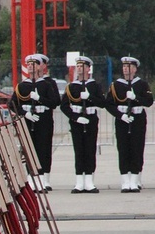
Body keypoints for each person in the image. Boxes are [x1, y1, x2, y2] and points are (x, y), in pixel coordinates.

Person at [105, 56, 154, 193]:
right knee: (123, 148)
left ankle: (134, 179)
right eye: (124, 67)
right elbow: (108, 104)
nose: (126, 69)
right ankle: (125, 180)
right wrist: (120, 115)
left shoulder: (141, 84)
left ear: (135, 69)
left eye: (129, 67)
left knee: (136, 148)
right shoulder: (116, 85)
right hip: (123, 120)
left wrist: (136, 98)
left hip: (137, 119)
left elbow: (149, 101)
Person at [10, 54, 57, 191]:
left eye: (34, 64)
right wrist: (25, 114)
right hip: (28, 120)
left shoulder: (46, 85)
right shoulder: (22, 86)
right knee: (29, 150)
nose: (30, 66)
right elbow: (12, 104)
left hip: (43, 120)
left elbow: (54, 102)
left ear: (39, 67)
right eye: (28, 64)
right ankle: (31, 179)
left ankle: (41, 179)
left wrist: (40, 98)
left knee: (42, 149)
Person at [60, 56, 106, 194]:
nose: (79, 69)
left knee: (90, 149)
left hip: (91, 120)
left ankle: (89, 181)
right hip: (77, 122)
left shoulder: (94, 86)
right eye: (78, 66)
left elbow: (102, 103)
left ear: (88, 68)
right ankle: (79, 181)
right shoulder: (71, 86)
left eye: (82, 66)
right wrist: (76, 118)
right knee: (79, 150)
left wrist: (90, 97)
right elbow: (64, 106)